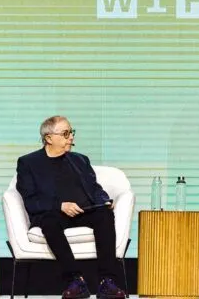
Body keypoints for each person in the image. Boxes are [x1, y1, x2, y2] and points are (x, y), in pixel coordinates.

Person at [16, 115, 126, 299]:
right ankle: (75, 281)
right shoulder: (28, 163)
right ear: (49, 138)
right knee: (49, 223)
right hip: (53, 213)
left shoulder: (80, 160)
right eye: (65, 133)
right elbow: (30, 199)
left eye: (71, 132)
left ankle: (107, 282)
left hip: (83, 211)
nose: (71, 138)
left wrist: (104, 200)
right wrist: (60, 205)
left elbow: (94, 188)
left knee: (104, 215)